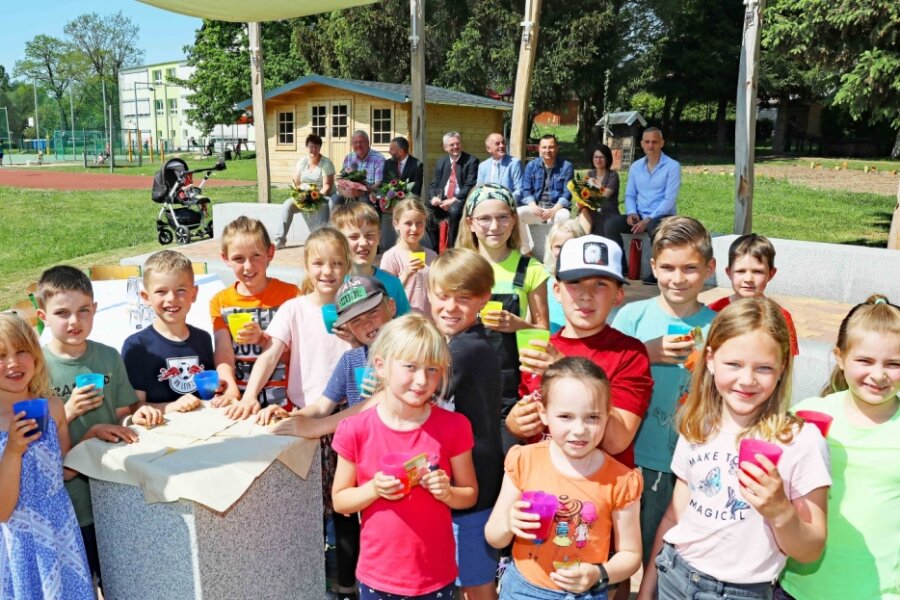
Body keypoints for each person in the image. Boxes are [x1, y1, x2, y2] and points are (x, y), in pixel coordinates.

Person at [637, 298, 831, 600]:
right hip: (673, 574)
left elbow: (811, 549)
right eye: (734, 364)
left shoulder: (800, 441)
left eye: (764, 367)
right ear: (711, 360)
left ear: (782, 367)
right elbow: (674, 518)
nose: (747, 380)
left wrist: (781, 511)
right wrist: (646, 592)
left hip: (741, 592)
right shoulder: (696, 425)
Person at [261, 275, 396, 600]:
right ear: (347, 327)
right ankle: (349, 586)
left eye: (373, 312)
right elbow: (323, 405)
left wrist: (320, 426)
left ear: (391, 306)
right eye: (356, 320)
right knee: (349, 524)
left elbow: (384, 401)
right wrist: (291, 416)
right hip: (358, 463)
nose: (367, 324)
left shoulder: (410, 352)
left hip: (395, 464)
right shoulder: (351, 359)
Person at [331, 314, 478, 599]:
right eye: (410, 367)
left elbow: (469, 493)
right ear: (381, 366)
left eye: (433, 370)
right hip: (378, 577)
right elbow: (340, 501)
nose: (422, 380)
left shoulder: (455, 426)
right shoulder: (354, 429)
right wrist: (374, 489)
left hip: (436, 577)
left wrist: (447, 492)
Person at [485, 357, 643, 599]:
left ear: (607, 415)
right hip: (521, 590)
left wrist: (599, 573)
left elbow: (631, 554)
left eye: (592, 417)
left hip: (585, 592)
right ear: (543, 413)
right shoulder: (525, 460)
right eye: (566, 417)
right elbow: (494, 537)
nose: (579, 430)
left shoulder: (620, 480)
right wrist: (509, 522)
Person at [611, 215, 717, 571]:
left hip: (697, 461)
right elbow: (603, 375)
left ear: (709, 269)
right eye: (668, 267)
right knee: (625, 553)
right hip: (638, 456)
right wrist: (646, 353)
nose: (678, 278)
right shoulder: (631, 317)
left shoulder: (717, 325)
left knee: (675, 559)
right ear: (653, 267)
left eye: (690, 268)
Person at [36, 265, 152, 589]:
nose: (74, 321)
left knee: (121, 582)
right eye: (62, 312)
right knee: (79, 585)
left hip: (113, 494)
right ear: (43, 315)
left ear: (95, 310)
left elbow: (119, 415)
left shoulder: (108, 357)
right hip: (71, 503)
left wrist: (133, 419)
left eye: (83, 310)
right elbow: (34, 445)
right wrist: (68, 411)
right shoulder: (37, 369)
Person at [777, 295, 900, 600]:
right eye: (865, 360)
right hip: (797, 587)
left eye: (894, 363)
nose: (879, 374)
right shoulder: (807, 415)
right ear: (840, 357)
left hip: (880, 591)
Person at [509, 235, 653, 472]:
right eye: (574, 282)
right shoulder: (541, 347)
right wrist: (517, 421)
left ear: (618, 295)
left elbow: (616, 441)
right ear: (557, 290)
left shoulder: (630, 353)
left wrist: (564, 370)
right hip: (543, 484)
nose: (586, 294)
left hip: (601, 492)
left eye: (600, 284)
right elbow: (529, 410)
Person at [0, 313, 95, 599]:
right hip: (19, 539)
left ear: (37, 357)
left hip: (60, 530)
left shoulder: (53, 408)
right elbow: (3, 511)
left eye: (22, 351)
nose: (14, 363)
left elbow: (63, 471)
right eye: (1, 355)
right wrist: (13, 451)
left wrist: (91, 438)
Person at [427, 249, 504, 599]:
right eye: (442, 296)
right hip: (461, 481)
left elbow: (413, 395)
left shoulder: (465, 349)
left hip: (475, 489)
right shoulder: (459, 342)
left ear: (484, 299)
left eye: (463, 298)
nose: (450, 307)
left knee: (476, 583)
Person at [456, 183, 549, 452]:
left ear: (513, 221)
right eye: (484, 218)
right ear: (471, 223)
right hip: (464, 379)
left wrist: (518, 324)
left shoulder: (530, 268)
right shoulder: (461, 265)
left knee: (507, 456)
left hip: (509, 387)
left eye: (502, 217)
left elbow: (542, 329)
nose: (494, 226)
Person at [225, 227, 352, 420]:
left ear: (347, 266)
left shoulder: (357, 309)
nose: (327, 271)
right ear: (307, 267)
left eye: (336, 263)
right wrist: (249, 396)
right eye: (318, 263)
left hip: (348, 411)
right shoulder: (293, 309)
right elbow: (270, 355)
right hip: (303, 411)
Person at [209, 217, 299, 410]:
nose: (248, 266)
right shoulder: (220, 302)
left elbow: (300, 356)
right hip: (240, 402)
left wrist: (262, 339)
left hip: (285, 404)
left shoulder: (291, 295)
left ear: (270, 253)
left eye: (256, 255)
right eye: (238, 259)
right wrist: (231, 389)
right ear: (225, 259)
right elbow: (223, 353)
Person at [121, 250, 212, 422]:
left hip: (205, 428)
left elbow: (210, 391)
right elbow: (135, 407)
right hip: (161, 434)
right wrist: (172, 407)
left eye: (180, 290)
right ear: (146, 297)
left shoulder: (203, 339)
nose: (171, 298)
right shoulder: (136, 347)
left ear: (194, 294)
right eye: (161, 291)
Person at [604, 127, 680, 284]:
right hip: (639, 215)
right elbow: (630, 195)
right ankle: (620, 267)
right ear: (641, 144)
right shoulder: (636, 167)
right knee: (611, 225)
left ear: (662, 143)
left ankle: (657, 272)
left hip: (662, 216)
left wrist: (648, 219)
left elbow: (669, 200)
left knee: (654, 226)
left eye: (654, 142)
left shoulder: (673, 166)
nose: (650, 145)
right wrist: (632, 213)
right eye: (647, 141)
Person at [708, 234, 799, 356]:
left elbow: (787, 363)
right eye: (740, 271)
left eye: (758, 271)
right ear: (729, 272)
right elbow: (699, 351)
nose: (749, 279)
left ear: (771, 274)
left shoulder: (781, 318)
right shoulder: (711, 312)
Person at [331, 202, 411, 317]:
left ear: (379, 237)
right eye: (354, 237)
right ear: (339, 241)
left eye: (370, 235)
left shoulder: (392, 284)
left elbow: (406, 328)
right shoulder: (333, 285)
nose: (363, 243)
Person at [379, 198, 438, 319]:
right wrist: (406, 274)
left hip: (430, 322)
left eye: (419, 223)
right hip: (405, 323)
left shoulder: (432, 256)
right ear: (396, 224)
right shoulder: (391, 257)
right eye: (408, 223)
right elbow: (386, 295)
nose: (414, 229)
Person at [275, 134, 336, 249]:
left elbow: (327, 187)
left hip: (321, 195)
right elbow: (295, 182)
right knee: (287, 204)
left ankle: (321, 241)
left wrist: (313, 199)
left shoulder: (326, 164)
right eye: (311, 146)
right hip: (304, 195)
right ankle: (280, 240)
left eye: (317, 147)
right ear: (307, 147)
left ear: (320, 148)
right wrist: (299, 195)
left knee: (321, 204)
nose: (314, 150)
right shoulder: (302, 162)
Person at [518, 134, 575, 256]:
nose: (547, 150)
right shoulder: (531, 166)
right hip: (537, 208)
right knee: (517, 213)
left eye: (551, 147)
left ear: (557, 148)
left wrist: (554, 210)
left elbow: (568, 192)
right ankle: (527, 252)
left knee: (565, 215)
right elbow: (526, 190)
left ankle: (557, 254)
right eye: (544, 147)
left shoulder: (566, 166)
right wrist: (532, 205)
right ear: (539, 149)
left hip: (556, 209)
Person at [426, 131, 479, 251]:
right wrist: (434, 197)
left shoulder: (471, 161)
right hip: (443, 198)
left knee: (454, 212)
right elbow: (434, 183)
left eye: (458, 143)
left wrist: (453, 200)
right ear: (445, 147)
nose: (455, 147)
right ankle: (435, 246)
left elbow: (470, 185)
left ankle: (451, 248)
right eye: (452, 145)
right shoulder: (441, 162)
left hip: (460, 198)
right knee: (426, 209)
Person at [541, 219, 586, 334]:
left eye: (570, 245)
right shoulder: (542, 277)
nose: (564, 251)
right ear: (551, 248)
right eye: (558, 247)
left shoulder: (588, 279)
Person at [379, 136, 424, 249]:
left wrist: (401, 203)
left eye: (392, 149)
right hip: (391, 201)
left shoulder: (417, 165)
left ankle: (410, 247)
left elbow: (416, 191)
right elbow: (385, 184)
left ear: (400, 151)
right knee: (385, 210)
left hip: (408, 203)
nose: (389, 151)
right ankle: (387, 248)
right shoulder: (388, 163)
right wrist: (387, 200)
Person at [578, 144, 621, 237]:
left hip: (608, 212)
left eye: (601, 157)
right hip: (591, 211)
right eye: (596, 157)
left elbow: (604, 197)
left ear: (607, 159)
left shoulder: (613, 175)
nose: (598, 160)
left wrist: (599, 186)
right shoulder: (590, 174)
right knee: (583, 211)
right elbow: (583, 194)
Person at [337, 130, 385, 205]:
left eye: (361, 142)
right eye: (355, 142)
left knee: (364, 199)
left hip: (368, 192)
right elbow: (342, 180)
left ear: (368, 142)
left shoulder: (378, 158)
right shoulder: (349, 158)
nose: (358, 145)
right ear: (352, 144)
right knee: (335, 199)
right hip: (349, 192)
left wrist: (363, 190)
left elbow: (378, 183)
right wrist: (345, 192)